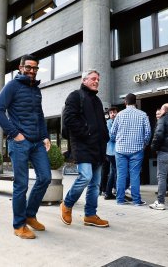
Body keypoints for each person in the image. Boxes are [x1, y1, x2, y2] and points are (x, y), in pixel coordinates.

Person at [0, 54, 51, 239]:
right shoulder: (12, 86)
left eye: (35, 68)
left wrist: (45, 136)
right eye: (28, 67)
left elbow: (39, 115)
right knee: (21, 185)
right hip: (20, 143)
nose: (32, 71)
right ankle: (19, 225)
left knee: (45, 178)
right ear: (20, 67)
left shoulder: (36, 89)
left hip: (37, 142)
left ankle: (30, 215)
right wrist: (15, 134)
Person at [60, 69, 109, 227]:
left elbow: (101, 123)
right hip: (83, 145)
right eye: (93, 79)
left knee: (95, 184)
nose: (96, 81)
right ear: (84, 80)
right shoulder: (75, 96)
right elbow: (69, 119)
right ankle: (67, 204)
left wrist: (105, 137)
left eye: (98, 79)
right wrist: (86, 133)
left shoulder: (97, 100)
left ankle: (90, 215)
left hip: (99, 147)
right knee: (85, 177)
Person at [110, 93, 151, 206]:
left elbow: (112, 133)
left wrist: (116, 140)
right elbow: (148, 133)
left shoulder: (119, 115)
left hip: (120, 149)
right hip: (137, 149)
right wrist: (144, 144)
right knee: (135, 175)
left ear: (125, 102)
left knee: (121, 174)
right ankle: (137, 201)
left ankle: (120, 200)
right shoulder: (143, 115)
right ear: (136, 102)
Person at [104, 107, 118, 200]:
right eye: (111, 113)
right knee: (114, 171)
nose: (113, 114)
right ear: (109, 114)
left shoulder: (118, 121)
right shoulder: (108, 123)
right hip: (111, 151)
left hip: (116, 151)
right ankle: (109, 192)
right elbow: (111, 137)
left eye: (114, 112)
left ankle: (110, 191)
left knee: (113, 171)